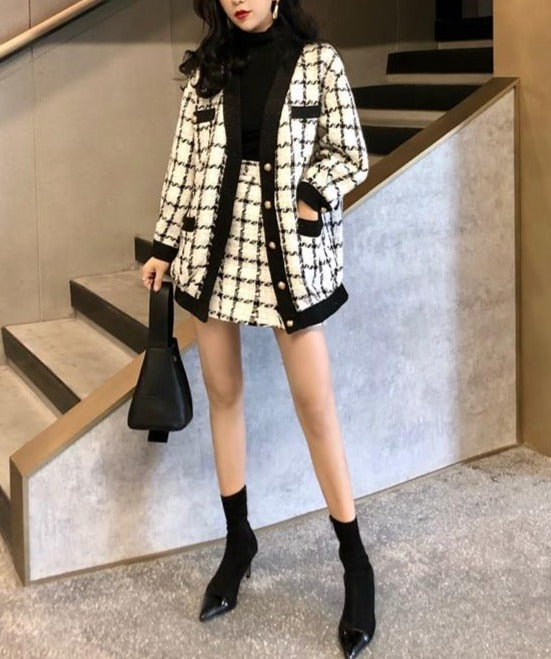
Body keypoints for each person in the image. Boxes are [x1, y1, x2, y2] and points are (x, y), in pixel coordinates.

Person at [140, 1, 374, 656]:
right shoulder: (206, 70)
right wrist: (163, 245)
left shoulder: (318, 63)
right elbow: (183, 166)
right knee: (224, 396)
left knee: (316, 407)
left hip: (287, 252)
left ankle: (355, 563)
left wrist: (312, 195)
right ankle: (238, 539)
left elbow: (349, 151)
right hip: (212, 250)